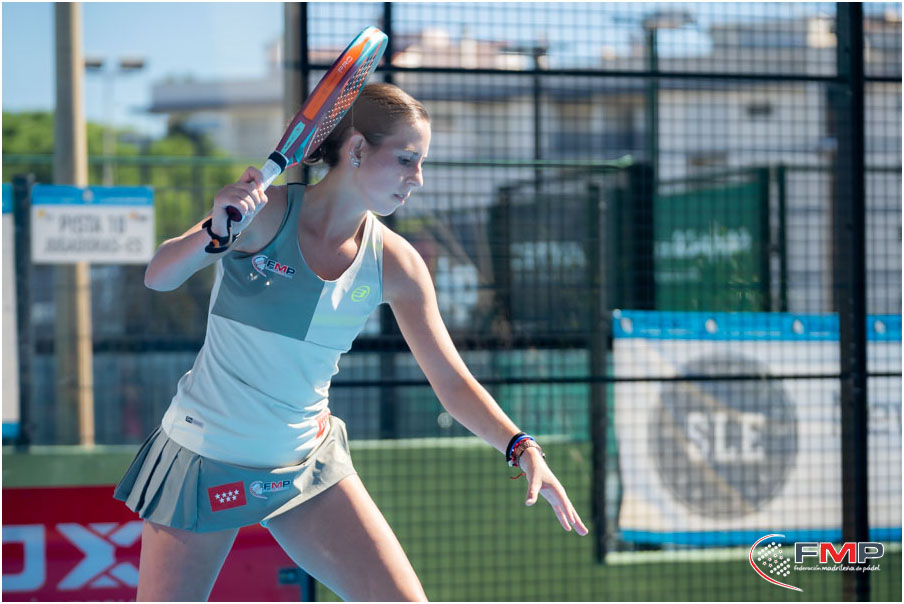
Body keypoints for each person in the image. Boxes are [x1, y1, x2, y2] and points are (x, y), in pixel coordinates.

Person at [115, 82, 588, 602]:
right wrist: (214, 233)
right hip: (206, 455)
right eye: (407, 159)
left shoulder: (398, 264)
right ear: (358, 148)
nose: (418, 178)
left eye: (421, 163)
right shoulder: (263, 215)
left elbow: (452, 382)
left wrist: (522, 447)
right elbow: (159, 276)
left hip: (305, 468)